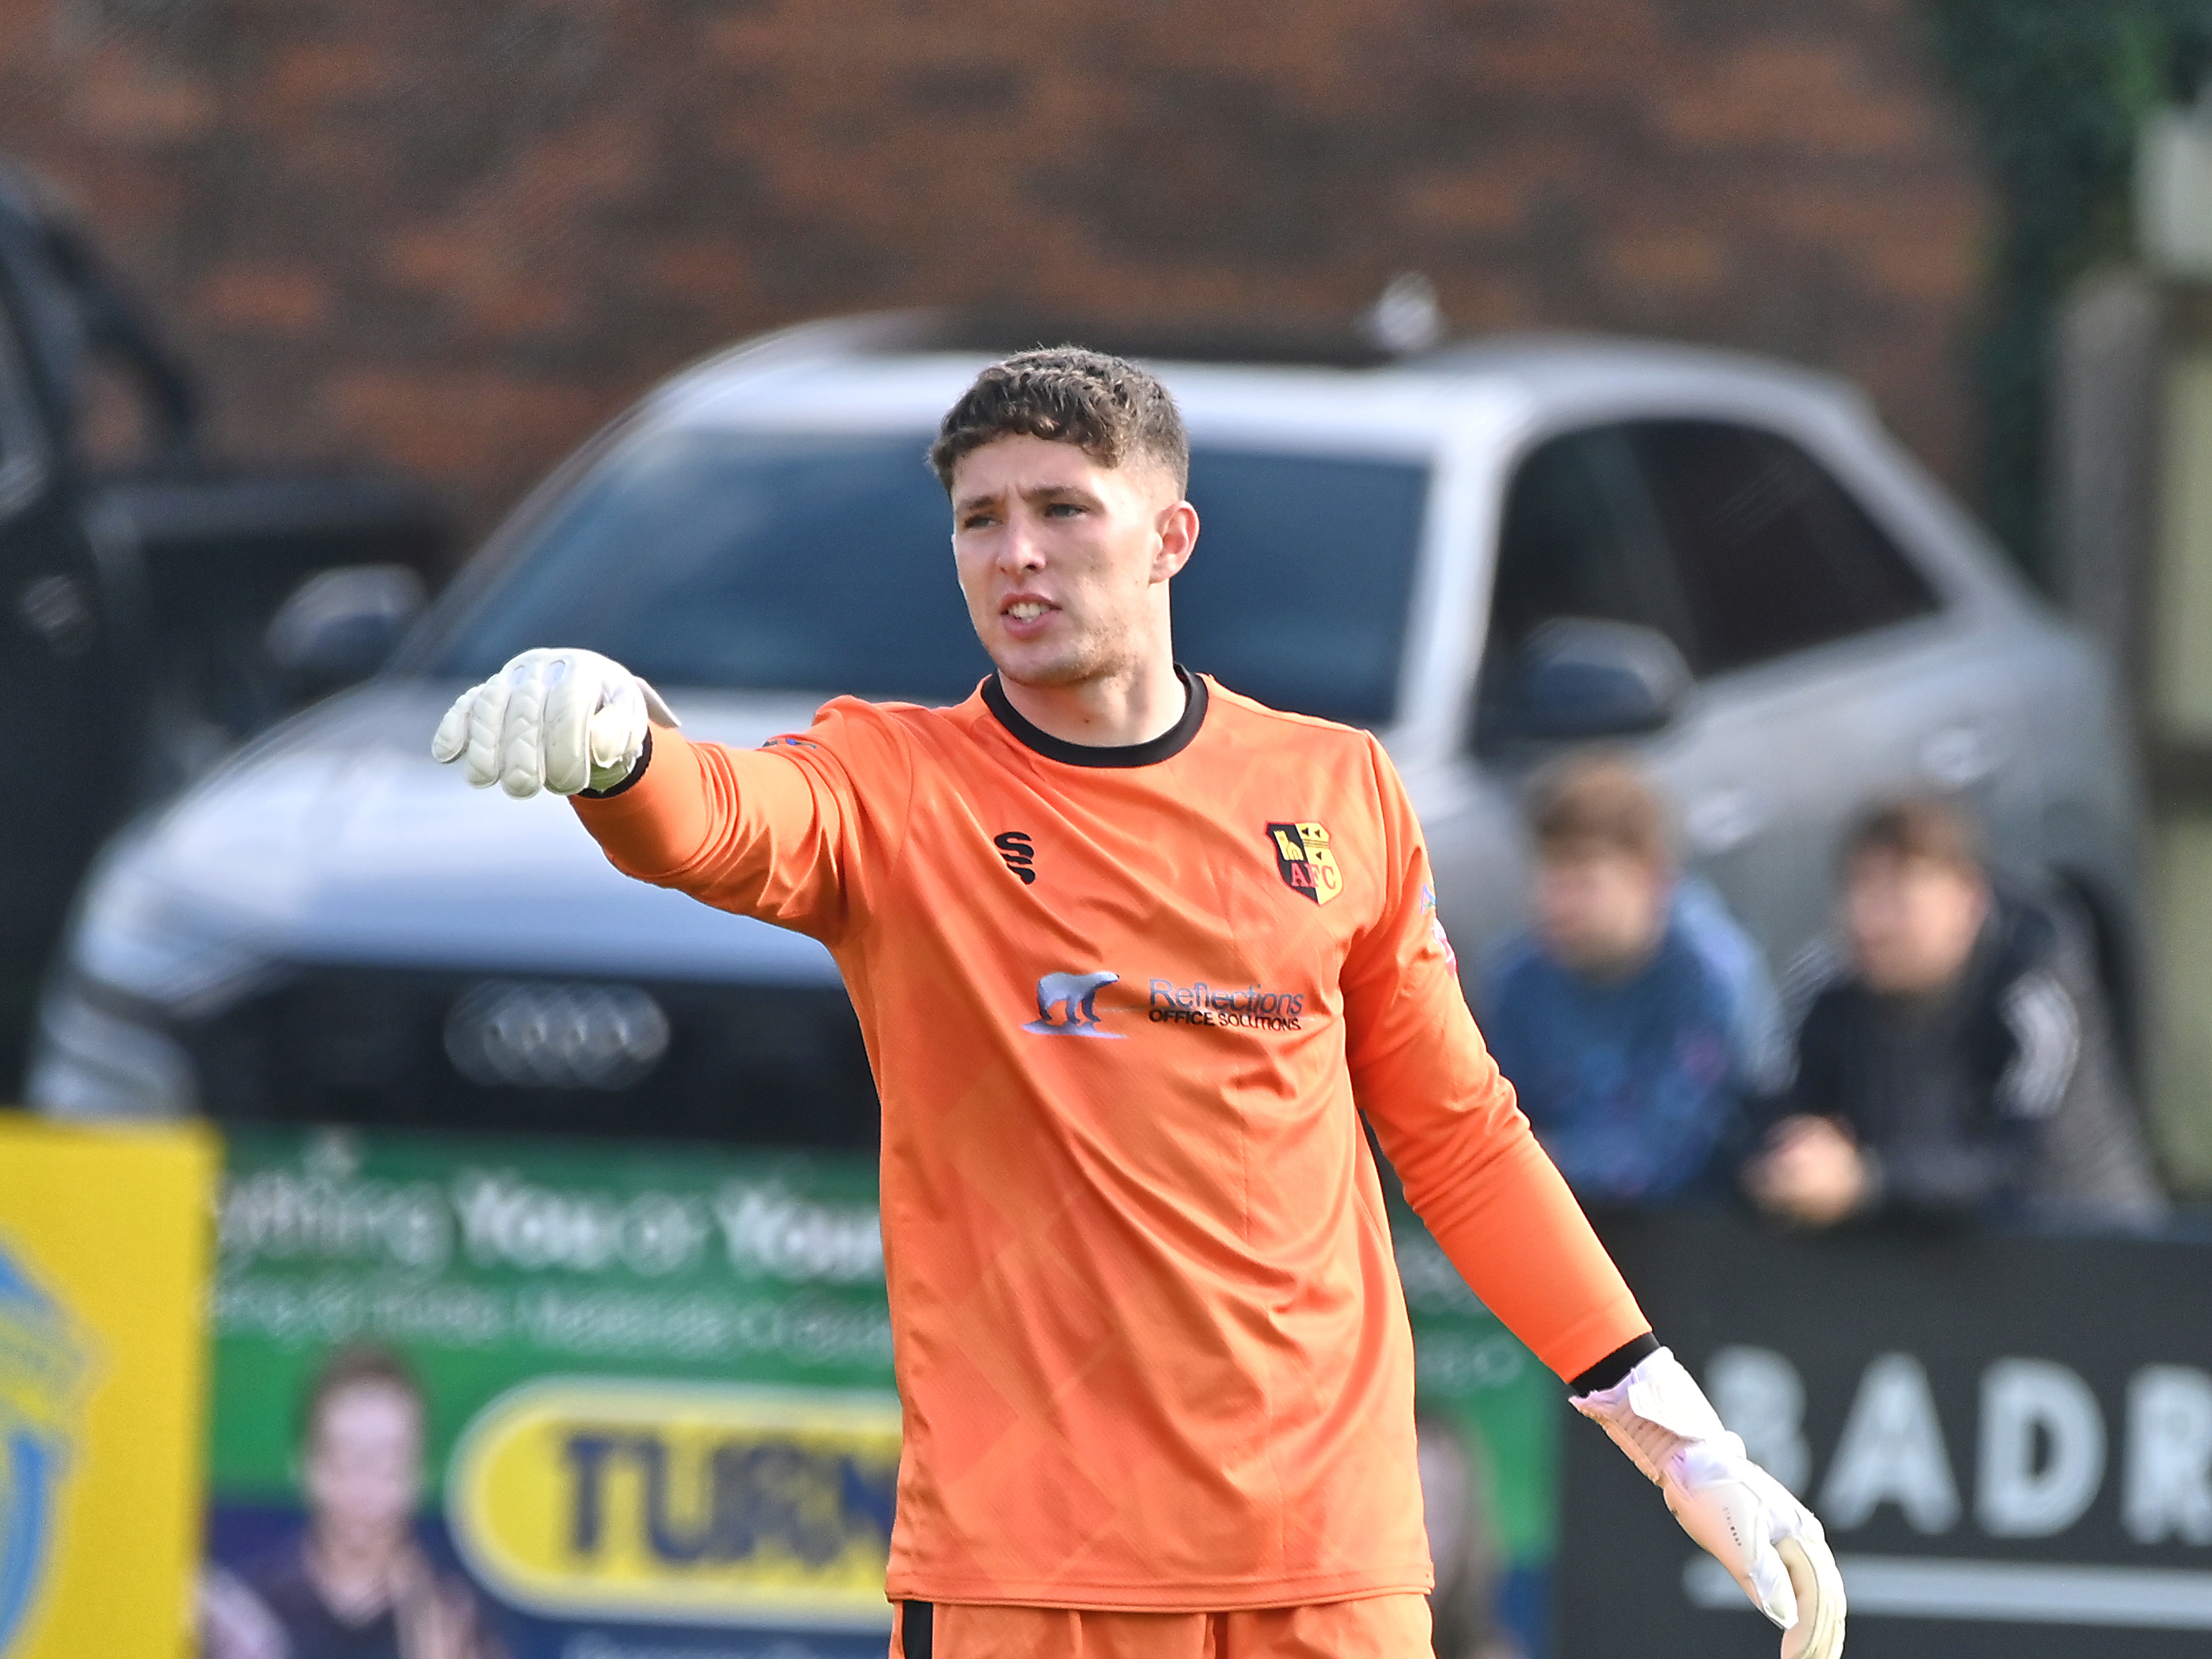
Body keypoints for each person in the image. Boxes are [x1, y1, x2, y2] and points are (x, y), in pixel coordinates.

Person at [432, 348, 1843, 1658]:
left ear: (1167, 538)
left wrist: (1674, 1436)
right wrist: (623, 754)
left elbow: (1460, 1137)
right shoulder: (897, 782)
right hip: (1029, 1574)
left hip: (1327, 1561)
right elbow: (726, 823)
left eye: (1061, 507)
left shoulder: (1332, 787)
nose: (1017, 553)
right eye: (979, 521)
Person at [1746, 796, 2163, 1231]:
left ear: (1967, 901)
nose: (1869, 920)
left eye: (1898, 895)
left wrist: (1867, 1183)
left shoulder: (2033, 996)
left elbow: (2015, 1164)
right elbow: (1767, 1112)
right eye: (1857, 888)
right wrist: (1791, 1160)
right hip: (1901, 1261)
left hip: (2076, 1254)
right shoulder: (1825, 985)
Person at [1480, 753, 1782, 1206]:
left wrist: (1525, 1163)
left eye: (1582, 882)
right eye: (1548, 878)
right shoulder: (1517, 981)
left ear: (1650, 878)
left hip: (1698, 1242)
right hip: (1556, 1225)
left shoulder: (1711, 978)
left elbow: (1670, 1153)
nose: (1557, 905)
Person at [200, 1346, 505, 1659]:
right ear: (305, 1466)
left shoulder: (462, 1622)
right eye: (346, 1460)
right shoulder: (246, 1617)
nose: (365, 1489)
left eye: (389, 1464)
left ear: (419, 1475)